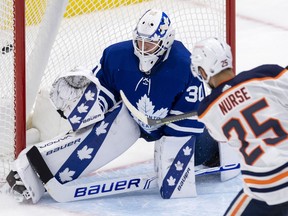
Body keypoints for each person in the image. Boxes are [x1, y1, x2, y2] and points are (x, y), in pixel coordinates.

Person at [3, 9, 220, 203]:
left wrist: (171, 152)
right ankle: (36, 168)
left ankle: (218, 149)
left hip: (178, 128)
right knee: (102, 131)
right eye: (140, 42)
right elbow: (103, 92)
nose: (143, 50)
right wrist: (86, 107)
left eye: (150, 44)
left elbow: (188, 119)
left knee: (188, 161)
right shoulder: (117, 56)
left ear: (166, 43)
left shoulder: (186, 65)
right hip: (136, 119)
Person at [191, 37, 288, 216]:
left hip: (263, 186)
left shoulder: (207, 111)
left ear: (205, 71)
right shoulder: (267, 75)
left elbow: (220, 135)